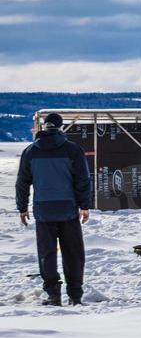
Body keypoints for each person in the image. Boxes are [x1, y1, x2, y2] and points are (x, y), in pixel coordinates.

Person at [16, 113, 91, 307]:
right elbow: (82, 180)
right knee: (73, 253)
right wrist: (84, 206)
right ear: (61, 127)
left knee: (46, 254)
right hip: (68, 209)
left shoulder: (30, 151)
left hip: (43, 210)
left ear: (44, 126)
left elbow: (22, 183)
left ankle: (53, 295)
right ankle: (75, 295)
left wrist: (22, 207)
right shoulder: (73, 150)